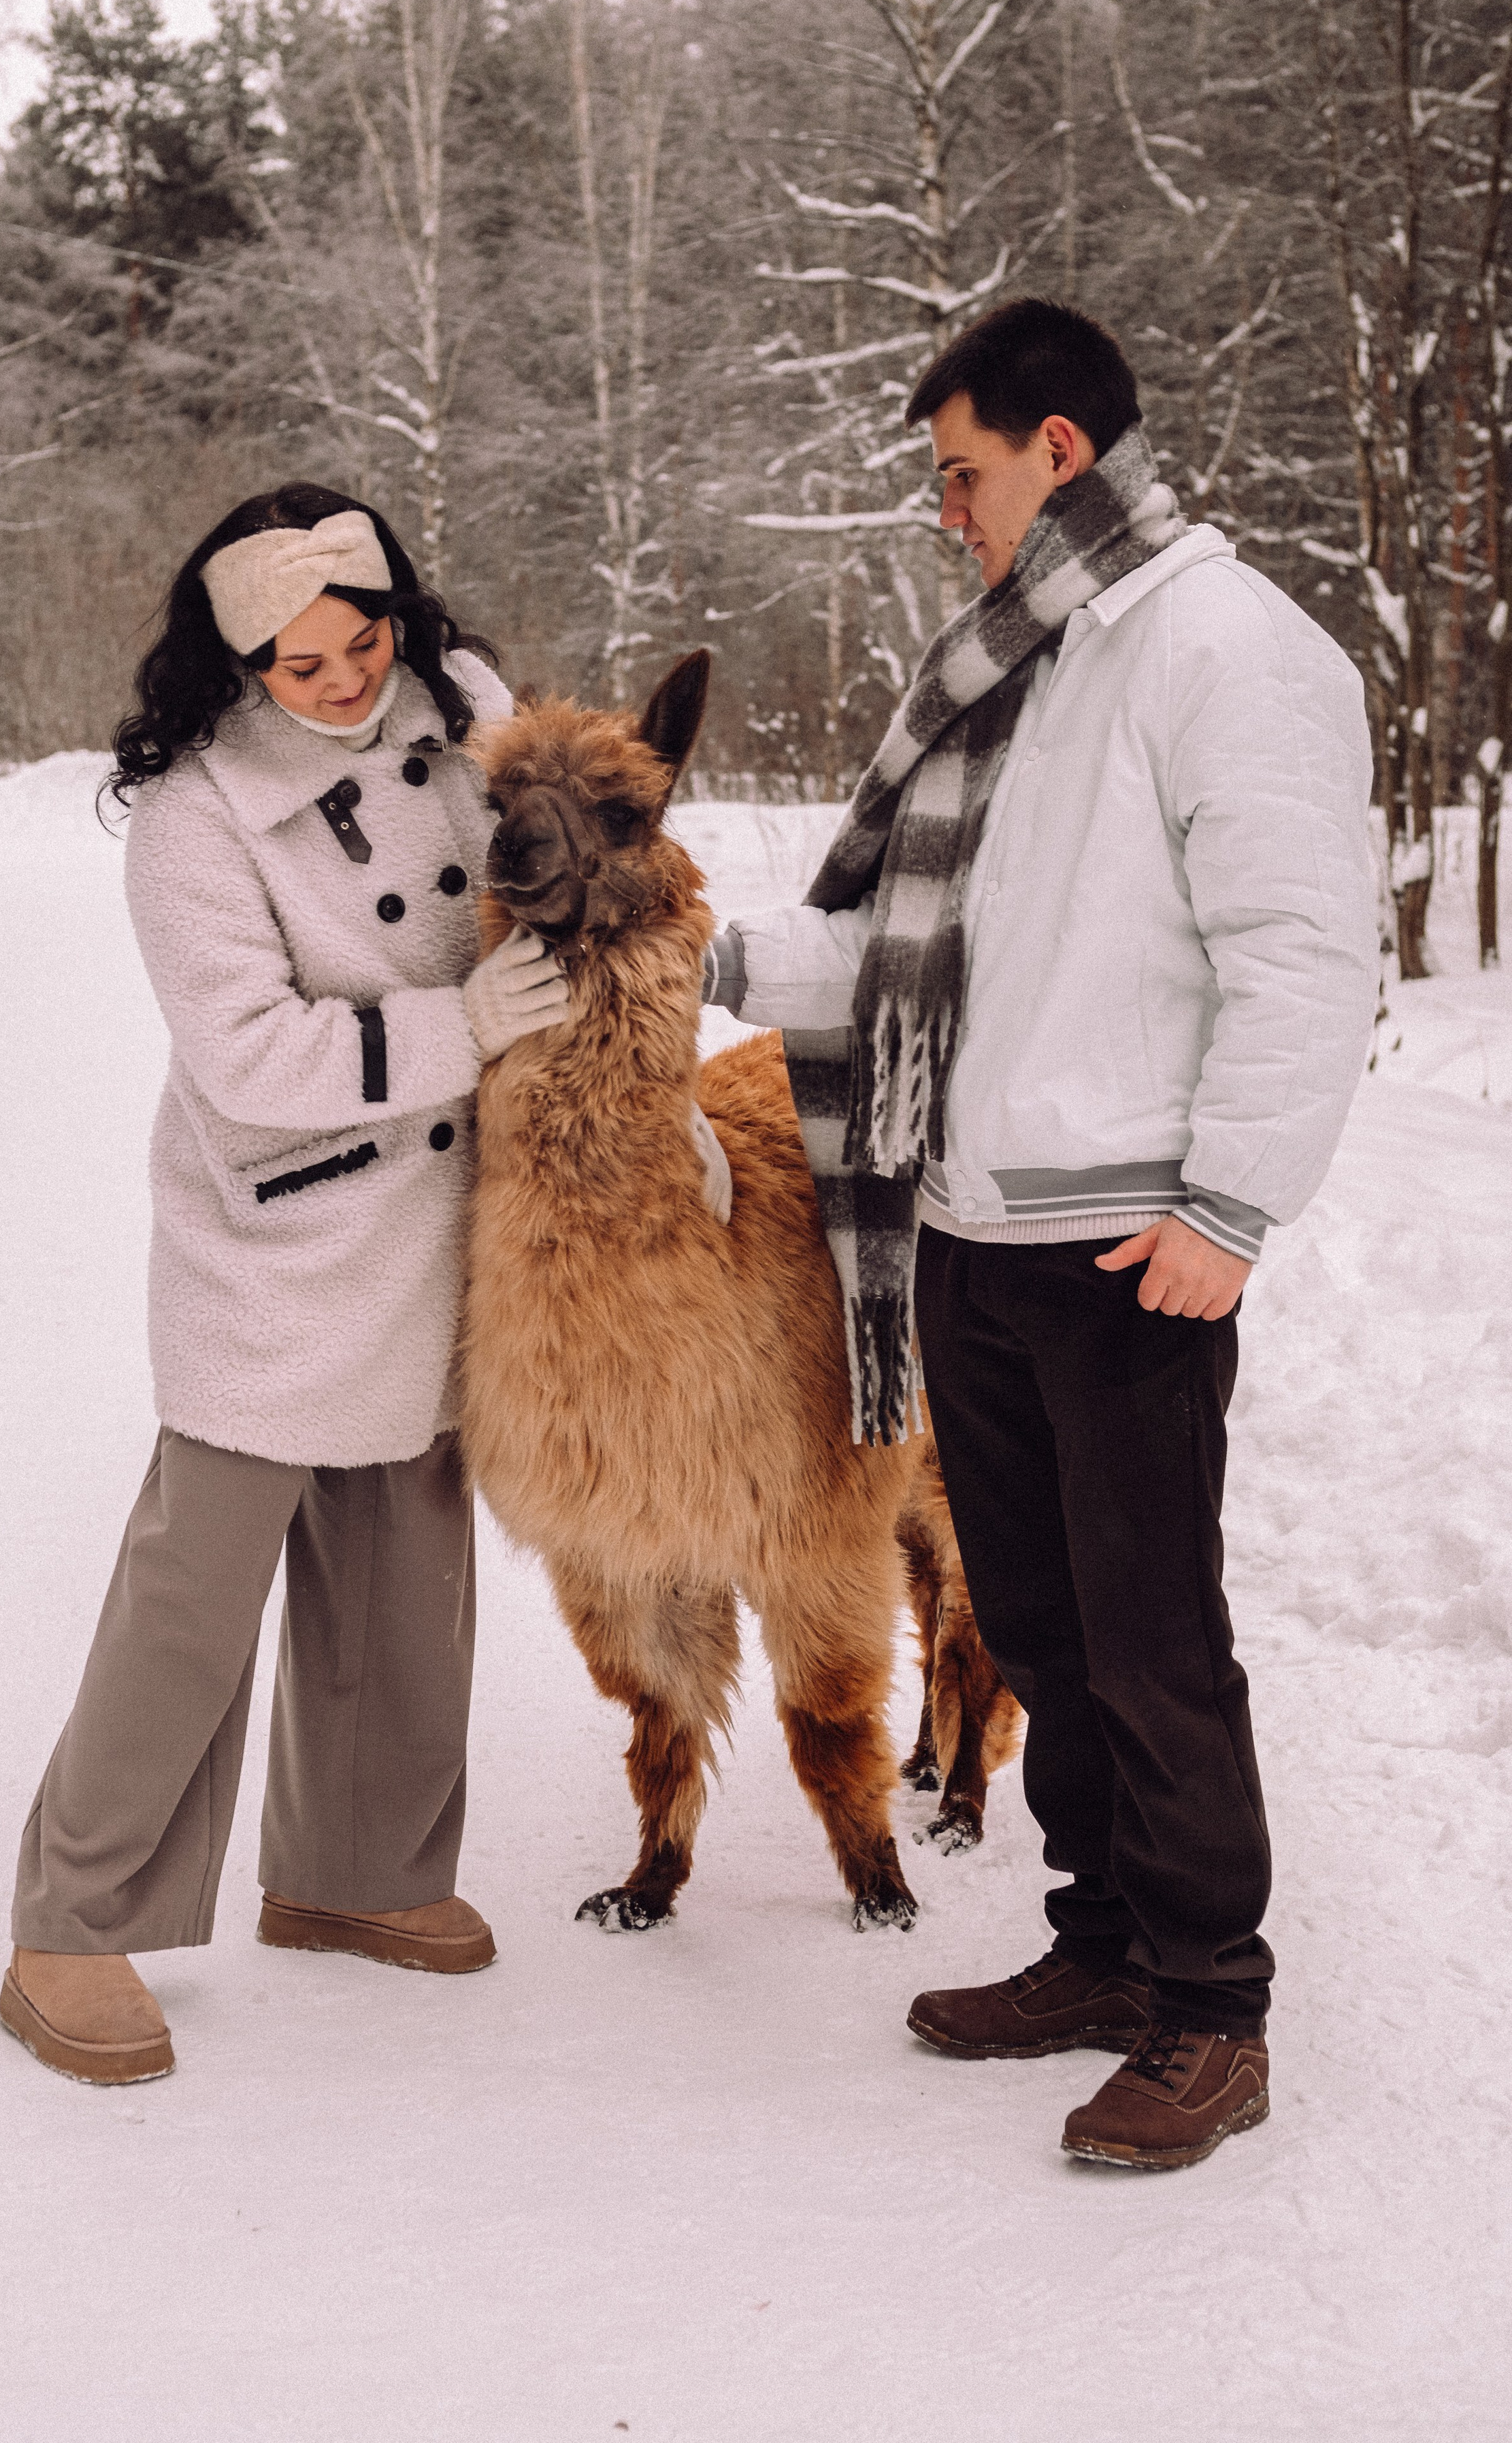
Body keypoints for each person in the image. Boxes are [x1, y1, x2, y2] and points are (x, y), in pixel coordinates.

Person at [703, 298, 1379, 2169]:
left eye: (964, 474)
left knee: (1154, 1640)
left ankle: (1211, 2008)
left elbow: (1310, 953)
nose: (949, 513)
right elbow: (928, 959)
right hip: (974, 1226)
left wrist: (1230, 1205)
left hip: (1127, 1244)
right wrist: (697, 953)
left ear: (1060, 453)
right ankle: (1102, 1945)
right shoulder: (1030, 659)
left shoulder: (1226, 650)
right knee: (1046, 1632)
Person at [0, 483, 571, 2085]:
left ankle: (355, 1878)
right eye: (299, 663)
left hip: (465, 1210)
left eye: (362, 640)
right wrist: (468, 1025)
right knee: (196, 1590)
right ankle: (69, 1916)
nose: (341, 681)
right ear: (235, 660)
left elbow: (543, 862)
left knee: (406, 1556)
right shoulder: (194, 816)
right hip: (287, 1230)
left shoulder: (464, 708)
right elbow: (247, 1061)